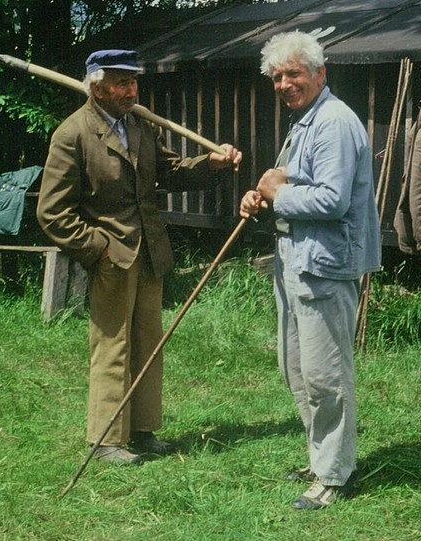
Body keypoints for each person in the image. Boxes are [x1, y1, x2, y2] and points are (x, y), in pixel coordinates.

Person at [36, 49, 242, 466]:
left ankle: (142, 431)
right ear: (97, 86)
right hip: (112, 258)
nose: (132, 89)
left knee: (149, 343)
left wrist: (212, 163)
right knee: (112, 346)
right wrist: (98, 249)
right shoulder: (73, 134)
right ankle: (107, 439)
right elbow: (52, 212)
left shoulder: (140, 125)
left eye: (134, 81)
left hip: (150, 254)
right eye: (122, 82)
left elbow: (171, 172)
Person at [239, 31, 380, 509]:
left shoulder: (334, 122)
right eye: (277, 77)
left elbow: (332, 200)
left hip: (325, 263)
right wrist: (261, 199)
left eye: (293, 73)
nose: (284, 83)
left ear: (320, 73)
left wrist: (279, 194)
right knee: (296, 368)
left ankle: (335, 476)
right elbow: (293, 185)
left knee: (326, 374)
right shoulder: (303, 122)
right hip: (294, 258)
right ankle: (321, 460)